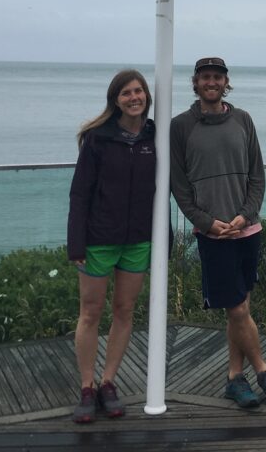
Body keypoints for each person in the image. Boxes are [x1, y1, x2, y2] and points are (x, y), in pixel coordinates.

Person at [170, 57, 266, 408]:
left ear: (226, 82)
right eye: (205, 77)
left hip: (247, 229)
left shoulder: (243, 120)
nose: (212, 82)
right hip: (213, 236)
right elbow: (180, 187)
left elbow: (257, 176)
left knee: (240, 308)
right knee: (237, 309)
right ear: (195, 82)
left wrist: (245, 215)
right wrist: (207, 222)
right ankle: (264, 372)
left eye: (217, 77)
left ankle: (234, 380)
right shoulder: (181, 127)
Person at [67, 69, 156, 424]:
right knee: (90, 312)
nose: (134, 97)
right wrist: (77, 241)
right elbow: (80, 193)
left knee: (124, 311)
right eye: (126, 93)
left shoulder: (155, 136)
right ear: (115, 100)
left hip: (138, 240)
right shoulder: (97, 139)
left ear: (147, 96)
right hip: (99, 240)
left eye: (139, 91)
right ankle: (87, 386)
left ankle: (108, 382)